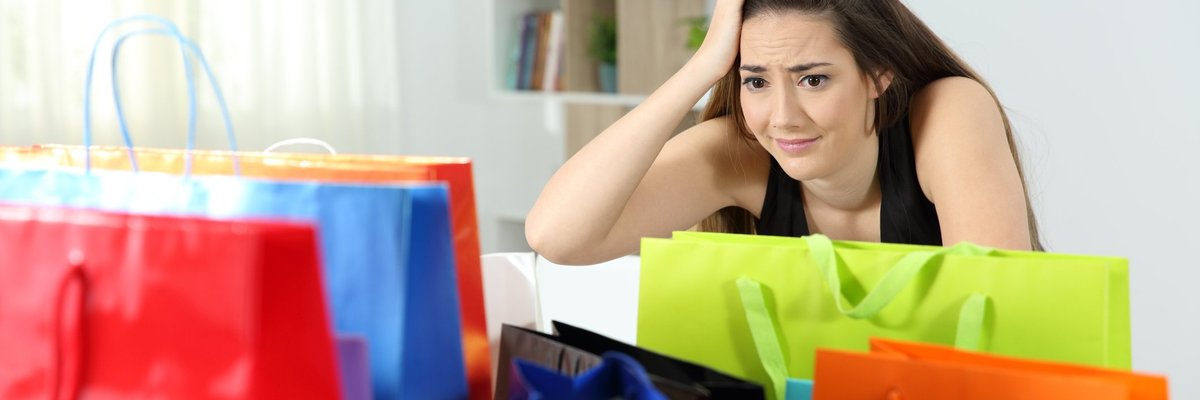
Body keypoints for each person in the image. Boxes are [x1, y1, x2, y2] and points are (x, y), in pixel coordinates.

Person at [526, 0, 1041, 265]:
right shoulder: (741, 152)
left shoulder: (947, 111)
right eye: (756, 81)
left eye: (812, 80)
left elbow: (996, 302)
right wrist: (703, 67)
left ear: (878, 73)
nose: (782, 117)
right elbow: (557, 237)